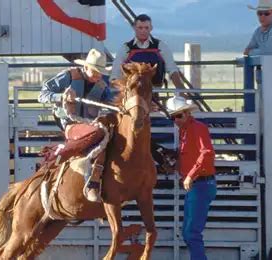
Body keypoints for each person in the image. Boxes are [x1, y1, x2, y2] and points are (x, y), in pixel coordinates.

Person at [38, 48, 113, 202]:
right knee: (100, 133)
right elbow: (43, 94)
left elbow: (111, 101)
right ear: (85, 67)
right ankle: (91, 181)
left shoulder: (102, 84)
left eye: (100, 72)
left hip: (90, 125)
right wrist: (61, 96)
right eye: (95, 71)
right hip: (71, 125)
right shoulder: (69, 76)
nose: (98, 75)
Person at [166, 96, 217, 260]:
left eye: (179, 116)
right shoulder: (185, 131)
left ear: (187, 113)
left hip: (201, 185)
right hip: (197, 186)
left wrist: (190, 176)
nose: (176, 120)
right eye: (172, 117)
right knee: (189, 233)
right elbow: (189, 156)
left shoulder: (197, 128)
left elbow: (207, 153)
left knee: (191, 233)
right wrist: (176, 167)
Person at [110, 14, 185, 91]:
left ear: (151, 28)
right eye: (140, 28)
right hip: (133, 93)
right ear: (134, 28)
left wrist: (181, 90)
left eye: (146, 28)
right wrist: (117, 91)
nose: (143, 31)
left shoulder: (160, 46)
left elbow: (172, 69)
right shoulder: (126, 48)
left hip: (155, 92)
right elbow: (116, 73)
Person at [244, 0, 272, 95]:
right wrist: (254, 51)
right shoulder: (258, 31)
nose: (262, 16)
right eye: (260, 13)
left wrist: (252, 52)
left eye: (266, 13)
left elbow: (267, 51)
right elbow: (247, 49)